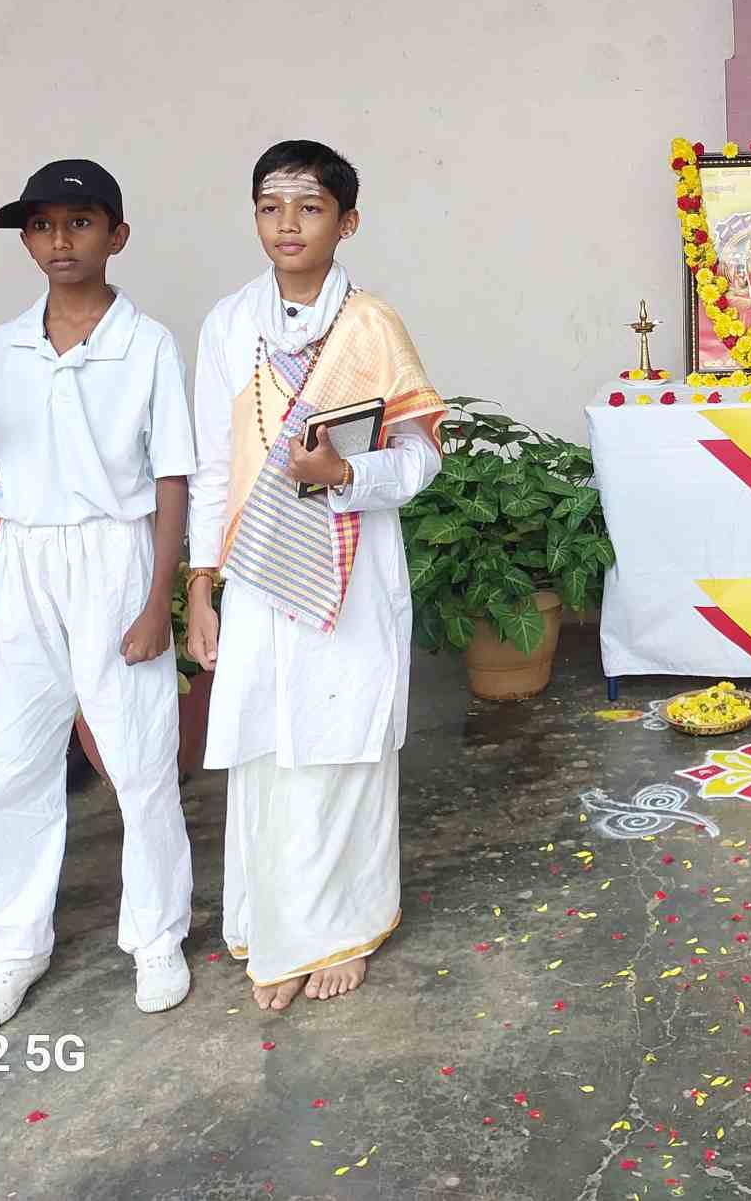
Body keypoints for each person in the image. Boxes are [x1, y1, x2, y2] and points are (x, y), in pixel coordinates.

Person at [0, 159, 196, 1028]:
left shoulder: (147, 344)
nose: (58, 241)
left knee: (140, 758)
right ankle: (14, 950)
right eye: (41, 226)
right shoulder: (2, 347)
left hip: (116, 557)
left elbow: (173, 476)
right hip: (27, 560)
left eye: (78, 223)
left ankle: (156, 936)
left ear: (117, 235)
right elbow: (2, 466)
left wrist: (157, 600)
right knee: (10, 761)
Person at [185, 141, 444, 1010]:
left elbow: (421, 457)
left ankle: (341, 927)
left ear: (348, 221)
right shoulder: (230, 325)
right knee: (269, 744)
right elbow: (213, 465)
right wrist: (201, 587)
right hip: (260, 570)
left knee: (343, 741)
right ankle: (277, 924)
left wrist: (344, 476)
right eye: (270, 207)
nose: (287, 224)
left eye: (309, 207)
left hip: (354, 565)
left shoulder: (371, 326)